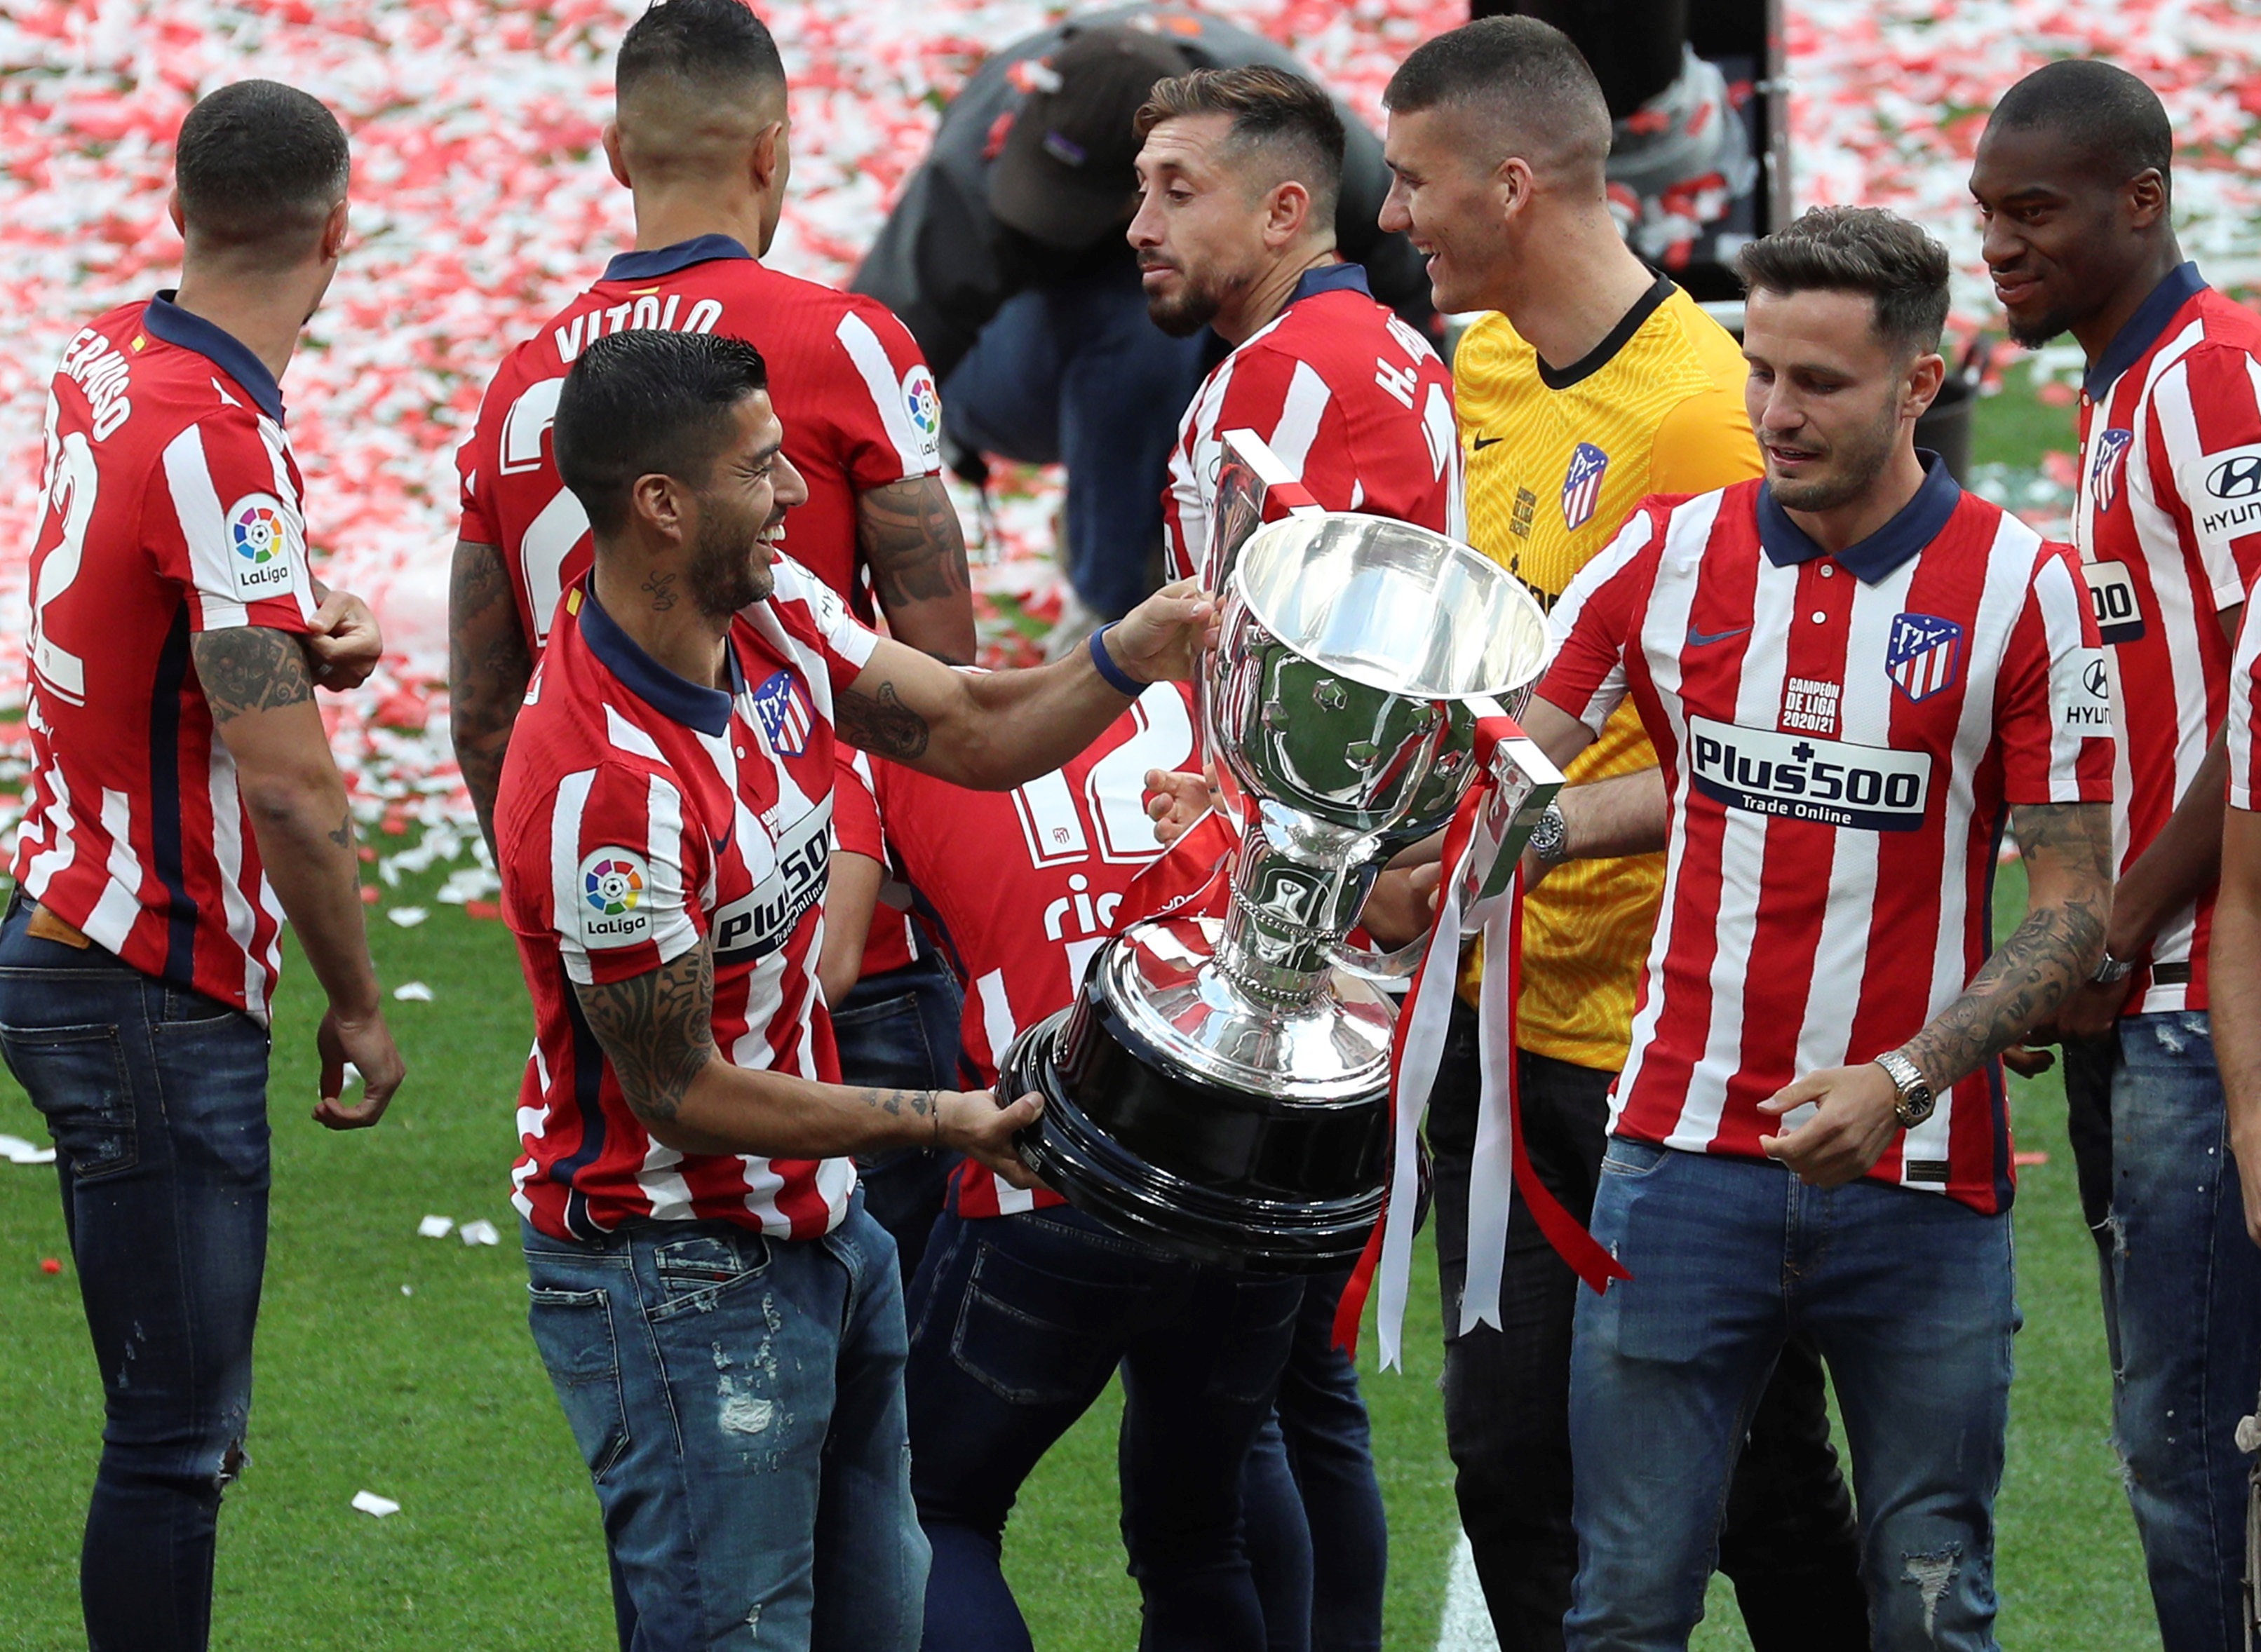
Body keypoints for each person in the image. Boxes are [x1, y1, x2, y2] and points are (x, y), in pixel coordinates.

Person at [494, 326, 1213, 1650]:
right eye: (760, 469)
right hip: (675, 1273)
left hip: (826, 1236)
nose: (791, 497)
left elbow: (967, 730)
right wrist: (942, 1119)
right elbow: (678, 1095)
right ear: (661, 504)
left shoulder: (766, 615)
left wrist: (1128, 654)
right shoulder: (606, 790)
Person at [1525, 205, 2112, 1648]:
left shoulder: (2021, 590)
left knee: (1930, 1608)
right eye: (1760, 369)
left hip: (1920, 1182)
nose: (1775, 413)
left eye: (1820, 382)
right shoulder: (1658, 558)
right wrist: (1433, 841)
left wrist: (1901, 1076)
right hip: (1674, 1161)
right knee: (1624, 1605)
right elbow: (1514, 768)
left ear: (1919, 383)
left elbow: (2075, 905)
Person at [1370, 20, 1865, 1646]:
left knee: (1752, 1478)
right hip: (1494, 1037)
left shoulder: (1706, 425)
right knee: (1509, 1463)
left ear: (1509, 185)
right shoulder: (1487, 368)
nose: (1393, 216)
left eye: (1412, 179)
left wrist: (1542, 825)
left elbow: (1781, 750)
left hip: (1666, 1047)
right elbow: (1500, 679)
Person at [449, 0, 976, 1280]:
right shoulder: (840, 340)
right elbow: (940, 656)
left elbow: (482, 706)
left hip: (635, 937)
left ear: (618, 156)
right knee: (870, 1388)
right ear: (772, 151)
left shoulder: (524, 380)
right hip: (843, 954)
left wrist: (582, 915)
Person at [0, 80, 403, 1652]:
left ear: (179, 214)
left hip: (69, 903)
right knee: (173, 1446)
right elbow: (291, 792)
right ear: (338, 229)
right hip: (149, 981)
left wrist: (307, 625)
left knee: (173, 1429)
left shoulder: (111, 351)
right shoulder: (220, 445)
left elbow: (165, 603)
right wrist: (359, 1001)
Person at [827, 686, 1318, 1652]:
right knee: (1200, 1528)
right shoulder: (1218, 709)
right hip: (1250, 1164)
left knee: (931, 1506)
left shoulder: (879, 745)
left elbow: (832, 963)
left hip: (1055, 1160)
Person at [1971, 61, 2261, 1652]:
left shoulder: (2212, 379)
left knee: (2195, 1437)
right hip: (2142, 980)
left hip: (2201, 997)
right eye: (1986, 217)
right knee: (2183, 1428)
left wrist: (2102, 931)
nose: (1999, 248)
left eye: (2034, 213)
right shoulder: (2116, 382)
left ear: (2138, 201)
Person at [851, 4, 1429, 639]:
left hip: (1188, 323)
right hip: (1005, 366)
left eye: (1175, 195)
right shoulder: (972, 168)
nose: (1139, 230)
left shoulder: (1283, 134)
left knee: (1172, 320)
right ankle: (1111, 601)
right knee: (1133, 330)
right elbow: (874, 369)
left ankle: (1148, 515)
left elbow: (1403, 281)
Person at [1135, 64, 1460, 583]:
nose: (1140, 230)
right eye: (1143, 189)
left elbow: (1258, 656)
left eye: (1178, 194)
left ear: (1282, 214)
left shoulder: (1282, 371)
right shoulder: (1398, 341)